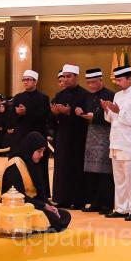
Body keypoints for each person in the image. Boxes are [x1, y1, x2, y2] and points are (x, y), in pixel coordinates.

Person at [0, 132, 71, 232]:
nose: (42, 155)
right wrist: (43, 206)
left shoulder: (32, 163)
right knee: (54, 220)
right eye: (39, 151)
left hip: (33, 206)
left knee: (64, 215)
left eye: (43, 151)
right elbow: (19, 198)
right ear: (30, 149)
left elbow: (40, 193)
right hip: (19, 208)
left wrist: (50, 206)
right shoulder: (14, 166)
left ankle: (40, 228)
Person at [103, 65, 131, 221]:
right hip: (115, 141)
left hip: (129, 143)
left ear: (129, 79)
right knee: (119, 179)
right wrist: (107, 110)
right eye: (116, 80)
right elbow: (111, 120)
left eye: (120, 80)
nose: (117, 83)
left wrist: (119, 112)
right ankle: (121, 208)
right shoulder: (117, 95)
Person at [51, 64, 90, 209]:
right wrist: (55, 114)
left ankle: (78, 200)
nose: (66, 79)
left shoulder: (85, 95)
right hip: (62, 136)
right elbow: (52, 120)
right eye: (64, 77)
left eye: (69, 76)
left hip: (79, 137)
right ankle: (62, 198)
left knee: (77, 168)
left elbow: (87, 118)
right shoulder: (59, 95)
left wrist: (70, 112)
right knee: (62, 168)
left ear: (76, 77)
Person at [76, 68, 115, 214]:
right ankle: (94, 203)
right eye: (88, 83)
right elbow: (86, 113)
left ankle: (106, 204)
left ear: (101, 80)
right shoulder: (88, 96)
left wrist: (96, 117)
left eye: (93, 82)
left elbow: (113, 117)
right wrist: (80, 113)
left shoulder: (110, 95)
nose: (91, 85)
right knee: (92, 172)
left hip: (105, 137)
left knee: (105, 172)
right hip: (91, 137)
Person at [10, 70, 52, 196]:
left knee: (38, 167)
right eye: (24, 79)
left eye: (28, 79)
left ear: (35, 81)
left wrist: (27, 112)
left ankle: (40, 194)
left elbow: (44, 117)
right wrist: (18, 114)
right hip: (21, 137)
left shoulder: (43, 98)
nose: (25, 82)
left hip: (37, 136)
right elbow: (11, 118)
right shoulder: (18, 97)